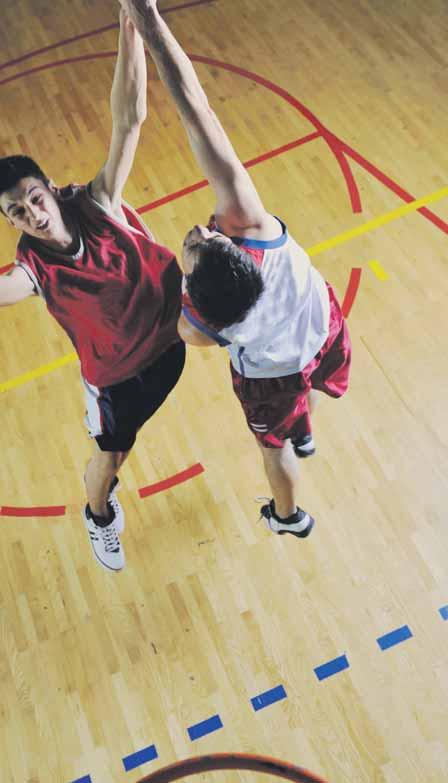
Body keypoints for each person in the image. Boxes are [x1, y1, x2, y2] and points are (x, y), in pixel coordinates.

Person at [119, 0, 352, 539]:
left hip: (275, 376)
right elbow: (196, 109)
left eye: (199, 242)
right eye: (207, 238)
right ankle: (305, 430)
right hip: (325, 322)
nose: (201, 232)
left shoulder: (202, 322)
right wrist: (147, 17)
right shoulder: (255, 228)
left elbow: (192, 334)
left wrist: (143, 18)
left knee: (272, 448)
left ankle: (289, 518)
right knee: (313, 381)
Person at [0, 11, 185, 572]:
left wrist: (132, 29)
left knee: (237, 299)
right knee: (111, 459)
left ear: (52, 190)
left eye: (34, 199)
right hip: (118, 380)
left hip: (173, 341)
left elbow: (129, 120)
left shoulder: (98, 202)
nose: (33, 215)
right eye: (17, 212)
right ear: (10, 223)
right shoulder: (33, 268)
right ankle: (98, 515)